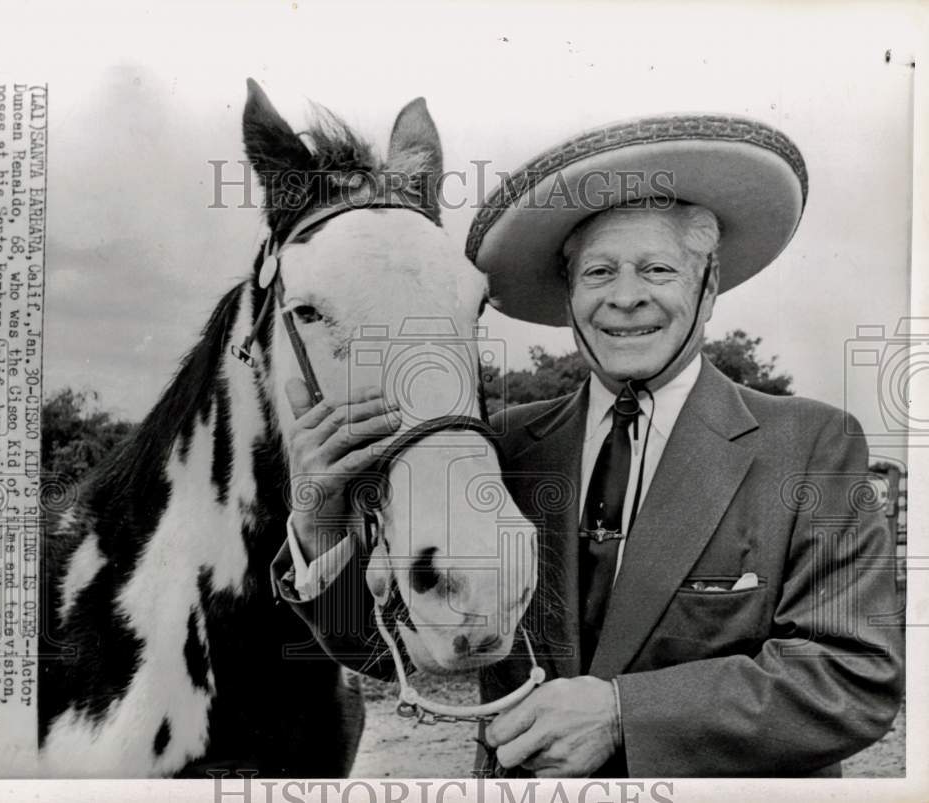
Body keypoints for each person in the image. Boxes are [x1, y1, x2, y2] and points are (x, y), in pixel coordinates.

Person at [272, 114, 904, 777]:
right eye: (599, 272)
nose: (625, 297)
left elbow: (854, 675)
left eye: (656, 268)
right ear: (569, 295)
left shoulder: (811, 444)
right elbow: (389, 645)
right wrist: (319, 527)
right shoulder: (504, 448)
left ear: (707, 286)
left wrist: (622, 714)